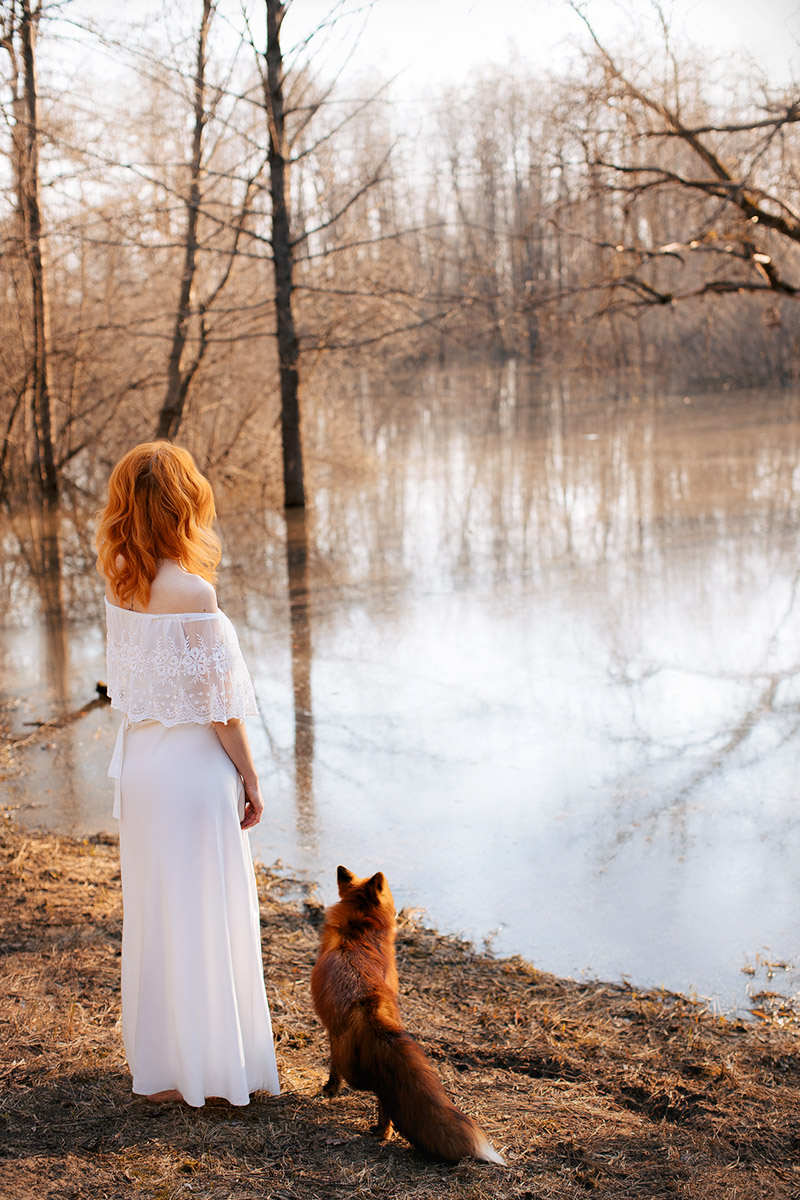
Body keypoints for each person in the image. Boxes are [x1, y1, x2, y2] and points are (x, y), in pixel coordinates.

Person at [96, 441, 280, 1106]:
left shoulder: (120, 574)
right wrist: (252, 778)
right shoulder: (193, 592)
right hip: (192, 773)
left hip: (142, 769)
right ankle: (210, 1071)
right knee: (205, 913)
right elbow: (220, 708)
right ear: (183, 505)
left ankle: (164, 1069)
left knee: (158, 915)